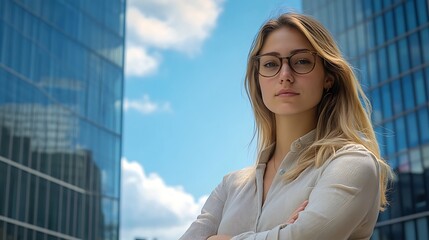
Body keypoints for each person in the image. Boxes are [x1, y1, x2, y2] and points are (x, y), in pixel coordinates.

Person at [179, 12, 393, 240]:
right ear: (258, 80)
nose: (285, 75)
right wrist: (281, 233)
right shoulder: (231, 186)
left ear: (328, 77)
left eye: (301, 61)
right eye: (271, 64)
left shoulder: (353, 163)